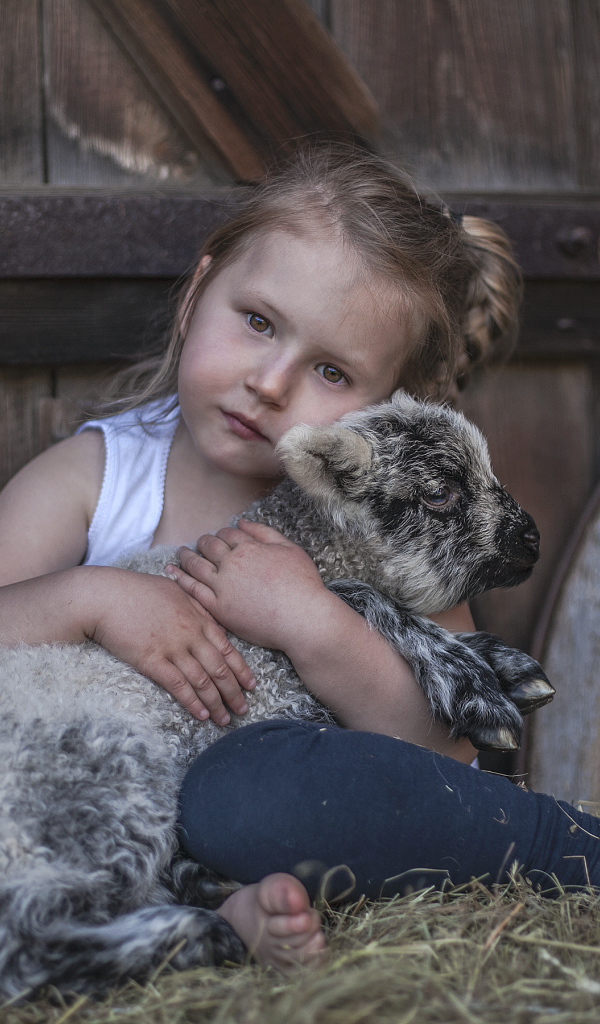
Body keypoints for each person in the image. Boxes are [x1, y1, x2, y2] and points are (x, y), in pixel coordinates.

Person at [0, 144, 537, 969]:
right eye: (257, 322)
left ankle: (219, 901)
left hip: (271, 818)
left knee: (265, 801)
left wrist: (311, 621)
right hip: (90, 803)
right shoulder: (97, 479)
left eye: (330, 370)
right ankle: (198, 915)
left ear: (390, 412)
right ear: (196, 294)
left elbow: (452, 758)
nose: (271, 384)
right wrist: (90, 599)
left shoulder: (379, 526)